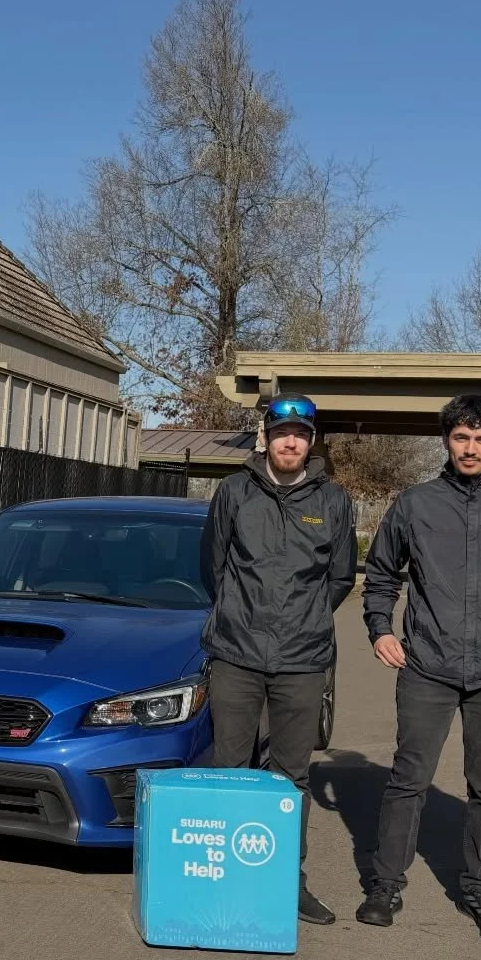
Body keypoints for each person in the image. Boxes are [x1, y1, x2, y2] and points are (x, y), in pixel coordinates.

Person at [357, 394, 481, 931]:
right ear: (447, 440)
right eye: (462, 437)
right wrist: (380, 629)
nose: (471, 448)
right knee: (408, 778)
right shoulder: (417, 504)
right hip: (426, 667)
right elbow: (382, 573)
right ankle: (385, 886)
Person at [200, 394, 357, 926]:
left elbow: (339, 578)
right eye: (281, 431)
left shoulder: (334, 501)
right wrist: (238, 619)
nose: (291, 441)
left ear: (312, 442)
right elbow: (213, 567)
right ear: (265, 435)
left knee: (291, 778)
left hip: (303, 659)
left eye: (302, 434)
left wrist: (304, 620)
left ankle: (287, 880)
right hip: (236, 655)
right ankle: (225, 879)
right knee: (230, 768)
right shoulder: (234, 492)